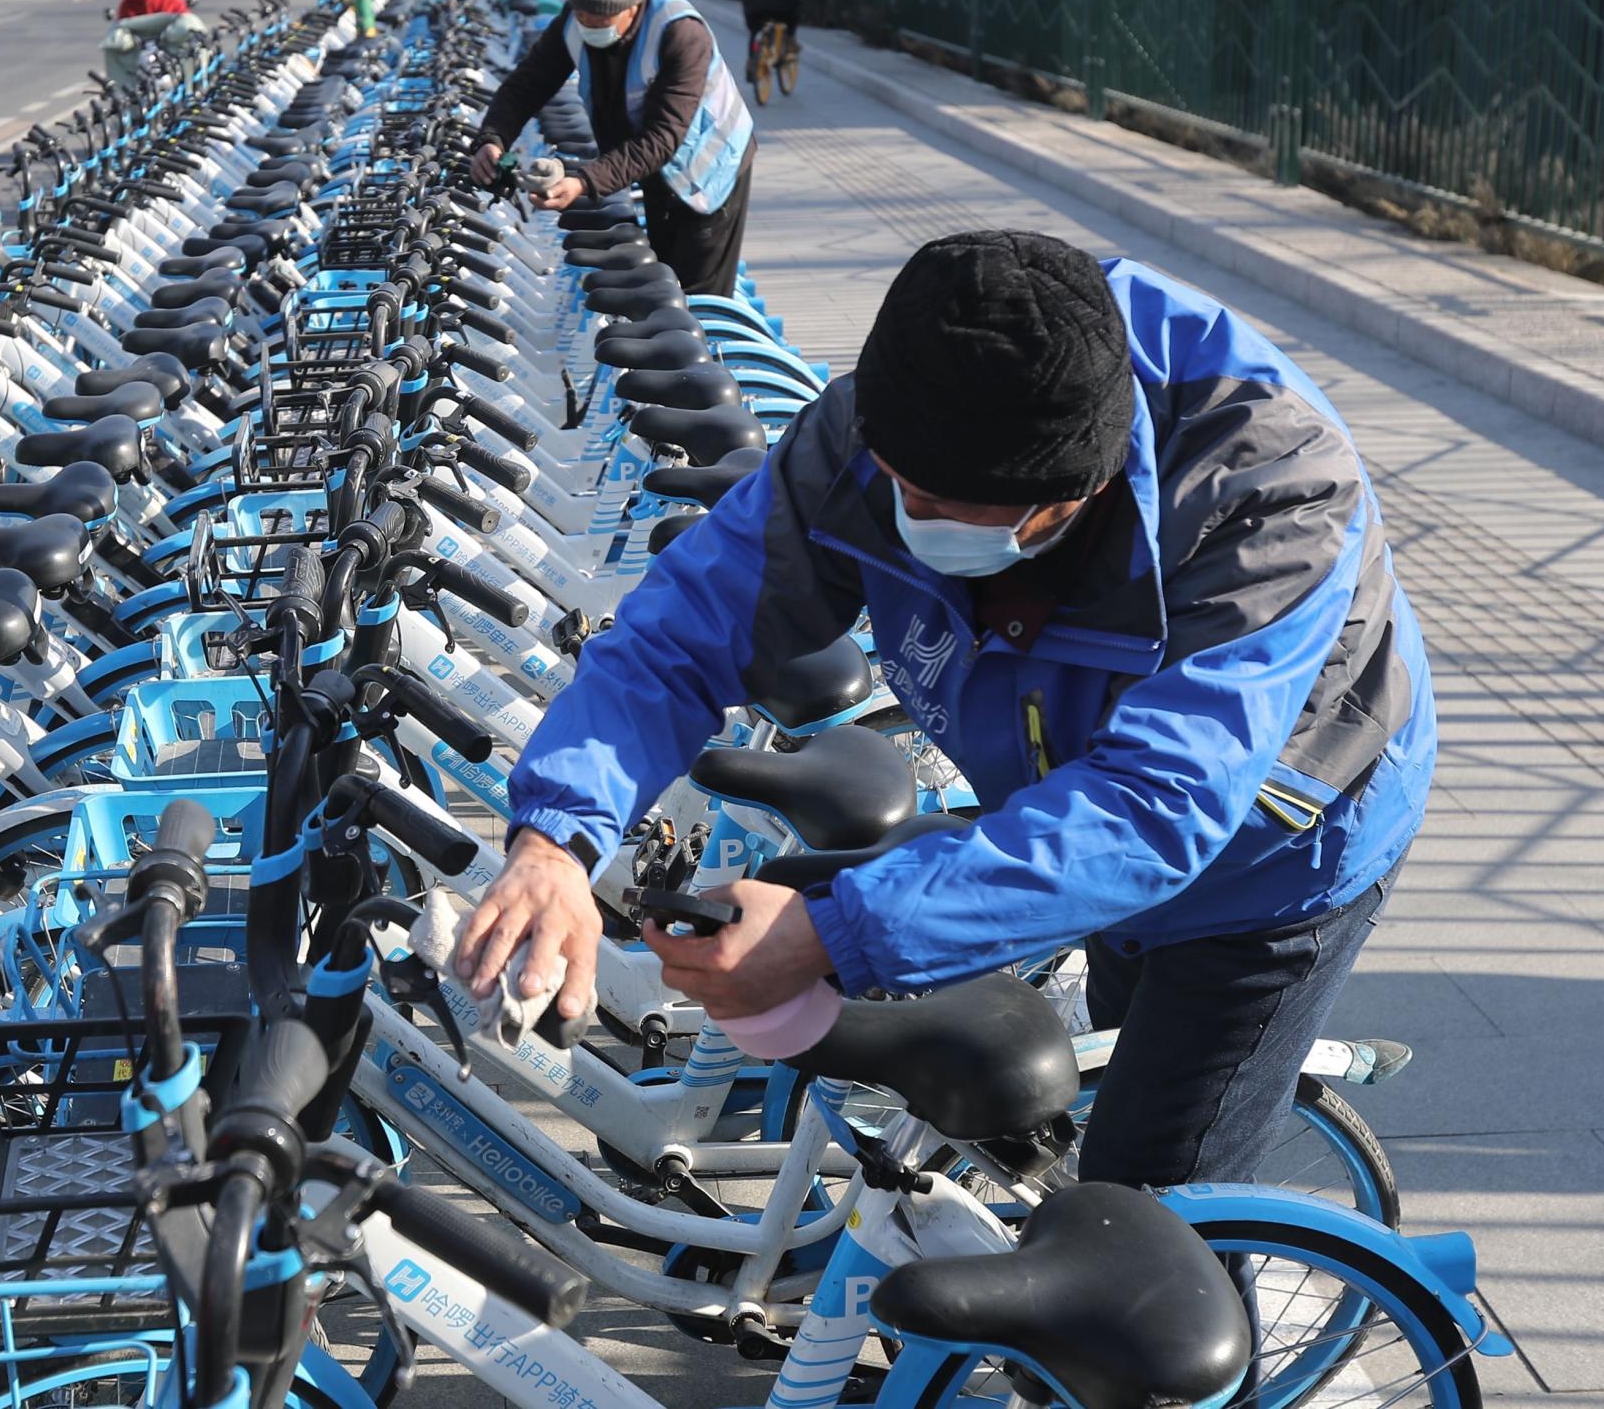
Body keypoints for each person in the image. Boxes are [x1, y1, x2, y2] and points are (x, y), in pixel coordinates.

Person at [452, 231, 1436, 1194]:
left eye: (941, 508)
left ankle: (1193, 1325)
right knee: (1114, 1052)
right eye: (899, 488)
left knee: (1153, 1209)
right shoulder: (889, 426)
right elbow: (681, 632)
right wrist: (555, 840)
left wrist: (834, 933)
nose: (905, 515)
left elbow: (1156, 807)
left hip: (1271, 859)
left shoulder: (1269, 494)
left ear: (1069, 500)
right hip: (1086, 791)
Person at [468, 0, 757, 297]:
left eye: (601, 18)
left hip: (708, 168)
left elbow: (661, 138)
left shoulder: (681, 33)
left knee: (697, 304)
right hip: (654, 166)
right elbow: (527, 84)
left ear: (632, 6)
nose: (589, 24)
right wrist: (492, 138)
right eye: (583, 13)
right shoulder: (576, 18)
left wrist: (584, 182)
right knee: (665, 285)